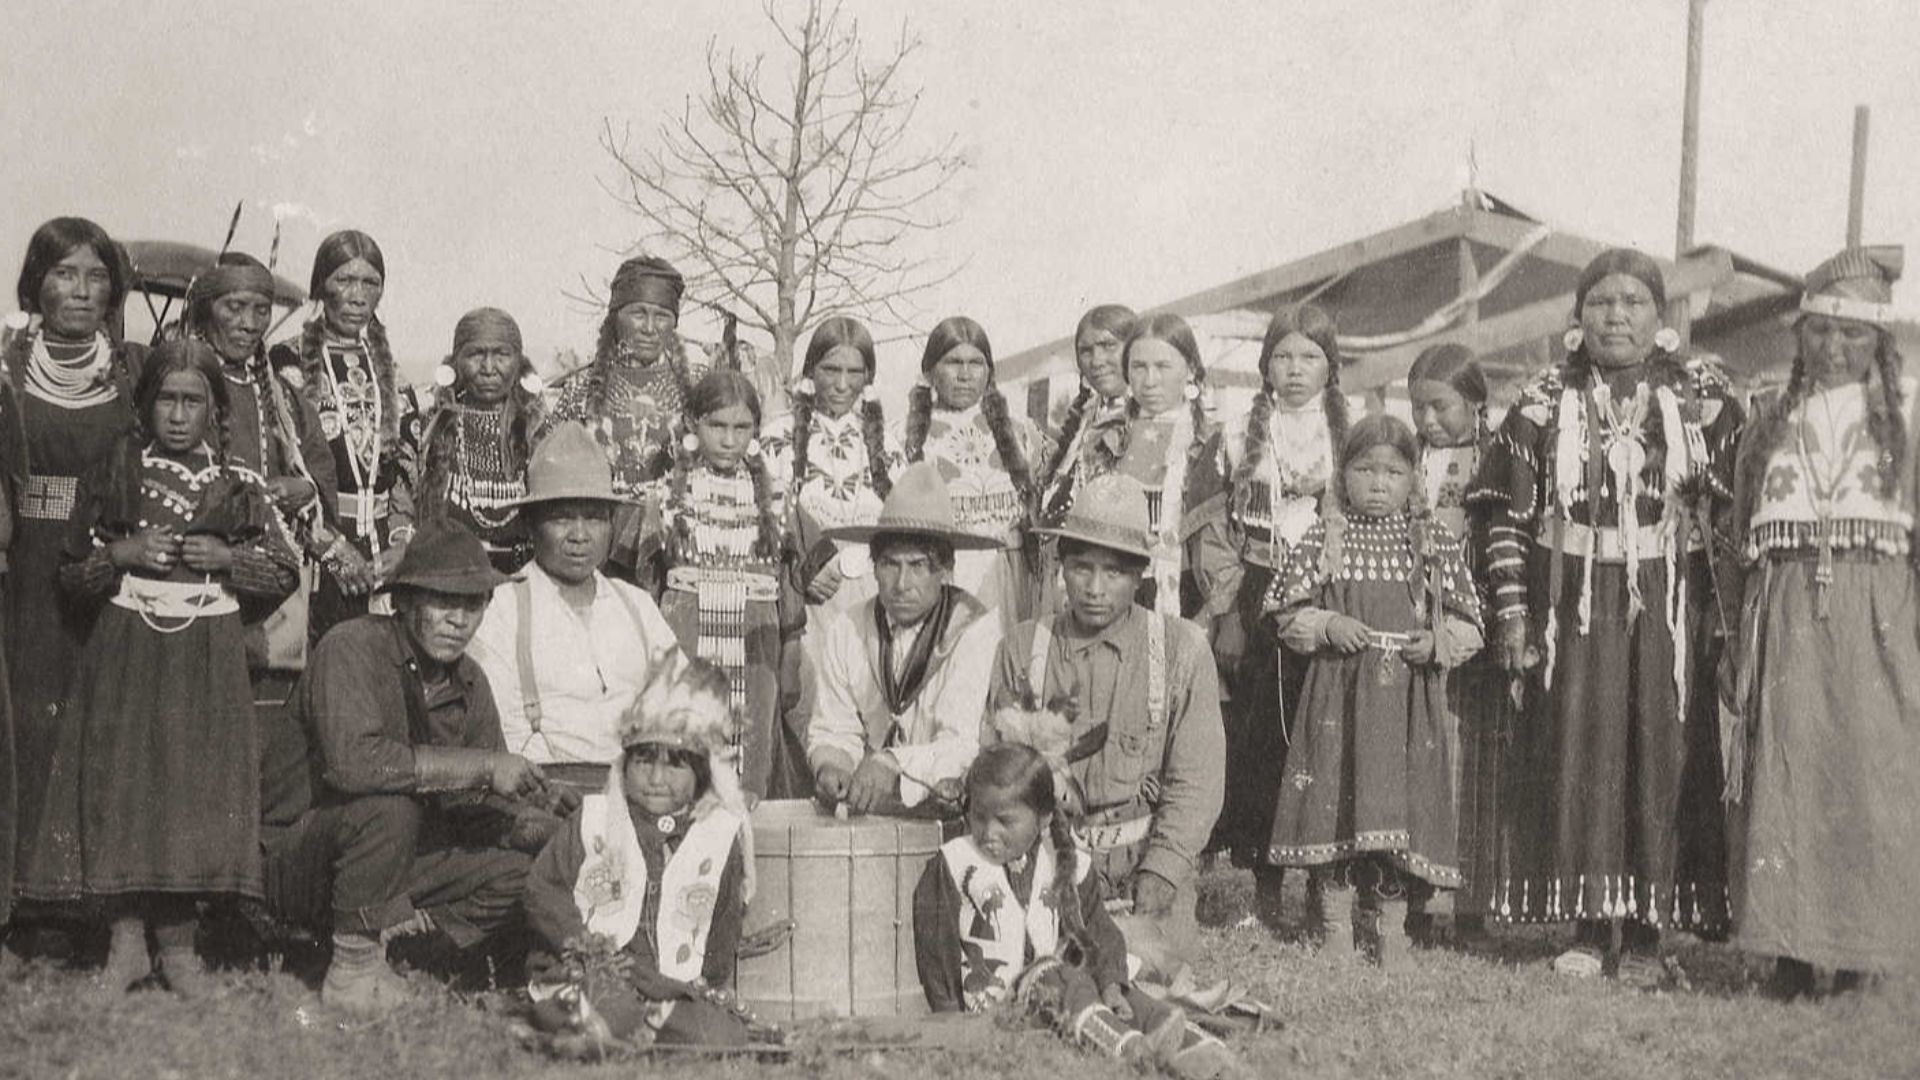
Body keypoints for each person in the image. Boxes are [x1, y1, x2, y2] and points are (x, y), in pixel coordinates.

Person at [1477, 248, 1742, 974]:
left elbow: (1729, 512)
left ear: (1661, 316)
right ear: (1577, 315)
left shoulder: (1703, 393)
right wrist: (1513, 613)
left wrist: (1722, 618)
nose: (1616, 315)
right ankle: (1591, 929)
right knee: (1581, 749)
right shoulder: (1539, 398)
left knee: (1665, 749)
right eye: (1600, 302)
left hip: (1668, 598)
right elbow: (1501, 514)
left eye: (1633, 302)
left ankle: (1654, 930)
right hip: (1574, 598)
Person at [33, 340, 300, 993]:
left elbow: (285, 568)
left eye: (193, 401)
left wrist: (228, 561)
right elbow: (71, 574)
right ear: (145, 404)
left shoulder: (238, 483)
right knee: (123, 781)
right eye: (166, 400)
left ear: (214, 407)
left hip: (206, 653)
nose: (178, 415)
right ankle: (125, 945)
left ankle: (179, 949)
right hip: (127, 646)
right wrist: (120, 552)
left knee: (190, 789)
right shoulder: (117, 471)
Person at [257, 521, 571, 1017]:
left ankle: (402, 954)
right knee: (389, 806)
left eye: (473, 605)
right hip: (295, 860)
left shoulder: (470, 683)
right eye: (444, 602)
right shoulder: (350, 647)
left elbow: (478, 808)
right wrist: (486, 766)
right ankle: (352, 972)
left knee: (516, 870)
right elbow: (355, 766)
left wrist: (540, 821)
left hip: (392, 862)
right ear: (402, 602)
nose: (459, 620)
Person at [1724, 245, 1920, 996]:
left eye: (1853, 335)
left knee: (1872, 777)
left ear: (1878, 341)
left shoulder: (1906, 416)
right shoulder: (1771, 418)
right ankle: (1792, 953)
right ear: (1799, 336)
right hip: (1789, 611)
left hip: (1882, 613)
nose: (1834, 348)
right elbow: (1740, 532)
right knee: (1791, 772)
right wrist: (1736, 636)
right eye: (1820, 333)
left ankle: (1864, 957)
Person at [1264, 416, 1482, 969]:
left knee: (1396, 812)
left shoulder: (1432, 542)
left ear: (1414, 479)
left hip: (1406, 703)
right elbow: (1285, 613)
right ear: (1343, 475)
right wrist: (1327, 625)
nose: (1379, 484)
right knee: (1335, 805)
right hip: (1339, 695)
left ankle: (1392, 930)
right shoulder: (1324, 535)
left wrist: (1437, 642)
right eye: (1365, 470)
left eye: (1393, 471)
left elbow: (1471, 624)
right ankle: (1335, 924)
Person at [989, 472, 1225, 960]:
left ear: (1139, 574)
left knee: (1147, 982)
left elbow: (1197, 783)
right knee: (1041, 980)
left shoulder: (1182, 650)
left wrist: (1161, 871)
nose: (1095, 588)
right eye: (1081, 568)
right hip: (1046, 866)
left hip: (1143, 868)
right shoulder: (1023, 646)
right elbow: (999, 773)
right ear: (1061, 566)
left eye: (1114, 572)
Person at [911, 742, 1235, 1080]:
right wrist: (950, 1019)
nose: (988, 832)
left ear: (1043, 818)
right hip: (996, 1009)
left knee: (1117, 992)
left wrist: (1111, 985)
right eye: (978, 817)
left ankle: (1194, 1051)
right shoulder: (956, 863)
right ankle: (1128, 1049)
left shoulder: (1066, 863)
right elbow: (937, 948)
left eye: (1005, 821)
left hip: (1062, 1001)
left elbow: (1099, 931)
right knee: (1053, 973)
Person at [3, 217, 146, 942]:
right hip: (23, 570)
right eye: (65, 274)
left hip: (109, 570)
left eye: (96, 276)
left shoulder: (133, 370)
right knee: (27, 720)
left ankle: (98, 901)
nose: (81, 291)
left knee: (101, 724)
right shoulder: (6, 363)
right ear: (36, 282)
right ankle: (26, 896)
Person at [525, 657, 769, 1048]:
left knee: (722, 1034)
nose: (656, 779)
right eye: (643, 761)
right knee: (608, 1005)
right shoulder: (593, 819)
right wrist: (587, 948)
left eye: (675, 766)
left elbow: (723, 924)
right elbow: (543, 891)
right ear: (624, 765)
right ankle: (601, 1026)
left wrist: (704, 985)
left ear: (700, 774)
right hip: (590, 969)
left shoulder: (717, 836)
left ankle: (635, 1029)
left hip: (669, 985)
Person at [1215, 303, 1348, 918]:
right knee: (1264, 736)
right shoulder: (1240, 432)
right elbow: (1217, 523)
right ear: (1266, 365)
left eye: (1310, 357)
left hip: (1330, 589)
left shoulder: (1347, 434)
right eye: (1284, 356)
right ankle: (1266, 888)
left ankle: (1327, 883)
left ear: (1331, 366)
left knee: (1324, 729)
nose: (1296, 370)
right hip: (1259, 587)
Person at [467, 421, 685, 792]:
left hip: (641, 790)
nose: (580, 536)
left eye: (595, 517)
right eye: (562, 517)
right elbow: (501, 732)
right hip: (546, 790)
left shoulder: (636, 605)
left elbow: (681, 704)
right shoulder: (501, 610)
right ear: (530, 524)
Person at [639, 370, 811, 799]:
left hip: (756, 643)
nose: (729, 440)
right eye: (717, 425)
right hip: (686, 636)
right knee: (684, 744)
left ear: (755, 429)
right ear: (693, 422)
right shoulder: (664, 495)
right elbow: (644, 585)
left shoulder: (776, 498)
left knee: (753, 757)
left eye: (741, 427)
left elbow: (790, 587)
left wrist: (790, 653)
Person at [183, 249, 335, 701]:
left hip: (270, 585)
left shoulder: (281, 396)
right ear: (206, 309)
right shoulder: (179, 382)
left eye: (261, 310)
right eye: (235, 307)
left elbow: (319, 469)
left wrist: (303, 489)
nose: (250, 323)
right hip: (196, 573)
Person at [808, 461, 1002, 814]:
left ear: (945, 570)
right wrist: (831, 764)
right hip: (868, 807)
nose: (901, 584)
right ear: (874, 566)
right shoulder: (848, 627)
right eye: (889, 564)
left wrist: (893, 762)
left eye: (918, 566)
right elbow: (833, 726)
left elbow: (962, 744)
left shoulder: (973, 628)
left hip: (950, 809)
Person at [270, 229, 421, 643]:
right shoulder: (285, 363)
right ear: (322, 286)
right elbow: (280, 471)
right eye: (344, 280)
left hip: (384, 560)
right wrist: (333, 552)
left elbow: (408, 473)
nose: (357, 296)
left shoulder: (395, 373)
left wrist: (402, 546)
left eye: (370, 283)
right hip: (315, 559)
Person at [1405, 342, 1507, 938]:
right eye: (1418, 408)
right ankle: (1415, 901)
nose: (1427, 421)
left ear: (1473, 402)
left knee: (1477, 771)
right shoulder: (1408, 460)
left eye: (1440, 407)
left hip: (1482, 633)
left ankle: (1472, 909)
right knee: (1422, 765)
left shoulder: (1496, 460)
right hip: (1421, 632)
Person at [1074, 314, 1235, 621]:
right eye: (1138, 367)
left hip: (1189, 591)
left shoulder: (1216, 441)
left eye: (1162, 367)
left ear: (1190, 370)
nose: (1149, 381)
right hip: (1114, 589)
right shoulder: (1103, 437)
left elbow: (1224, 542)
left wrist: (1219, 608)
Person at [899, 316, 1049, 637]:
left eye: (975, 363)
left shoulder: (1023, 433)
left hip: (1010, 575)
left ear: (989, 371)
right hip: (942, 580)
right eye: (953, 362)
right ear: (929, 371)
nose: (965, 374)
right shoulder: (904, 437)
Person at [541, 255, 687, 582]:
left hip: (676, 553)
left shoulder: (696, 386)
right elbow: (553, 470)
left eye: (662, 316)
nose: (649, 328)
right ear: (616, 317)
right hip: (599, 551)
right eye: (638, 313)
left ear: (674, 323)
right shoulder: (582, 388)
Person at [760, 316, 900, 643]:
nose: (841, 384)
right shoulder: (776, 438)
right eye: (831, 370)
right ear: (811, 370)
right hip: (803, 602)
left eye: (854, 373)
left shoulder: (888, 447)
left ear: (868, 377)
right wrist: (800, 570)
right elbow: (763, 523)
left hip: (874, 603)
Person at [416, 307, 544, 573]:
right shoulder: (431, 426)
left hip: (523, 579)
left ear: (519, 363)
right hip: (451, 575)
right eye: (475, 354)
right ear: (455, 362)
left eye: (501, 355)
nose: (488, 368)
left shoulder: (539, 430)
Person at [1037, 304, 1138, 527]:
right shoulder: (1086, 418)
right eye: (1086, 351)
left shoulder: (1151, 419)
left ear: (1135, 349)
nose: (1096, 360)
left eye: (1108, 345)